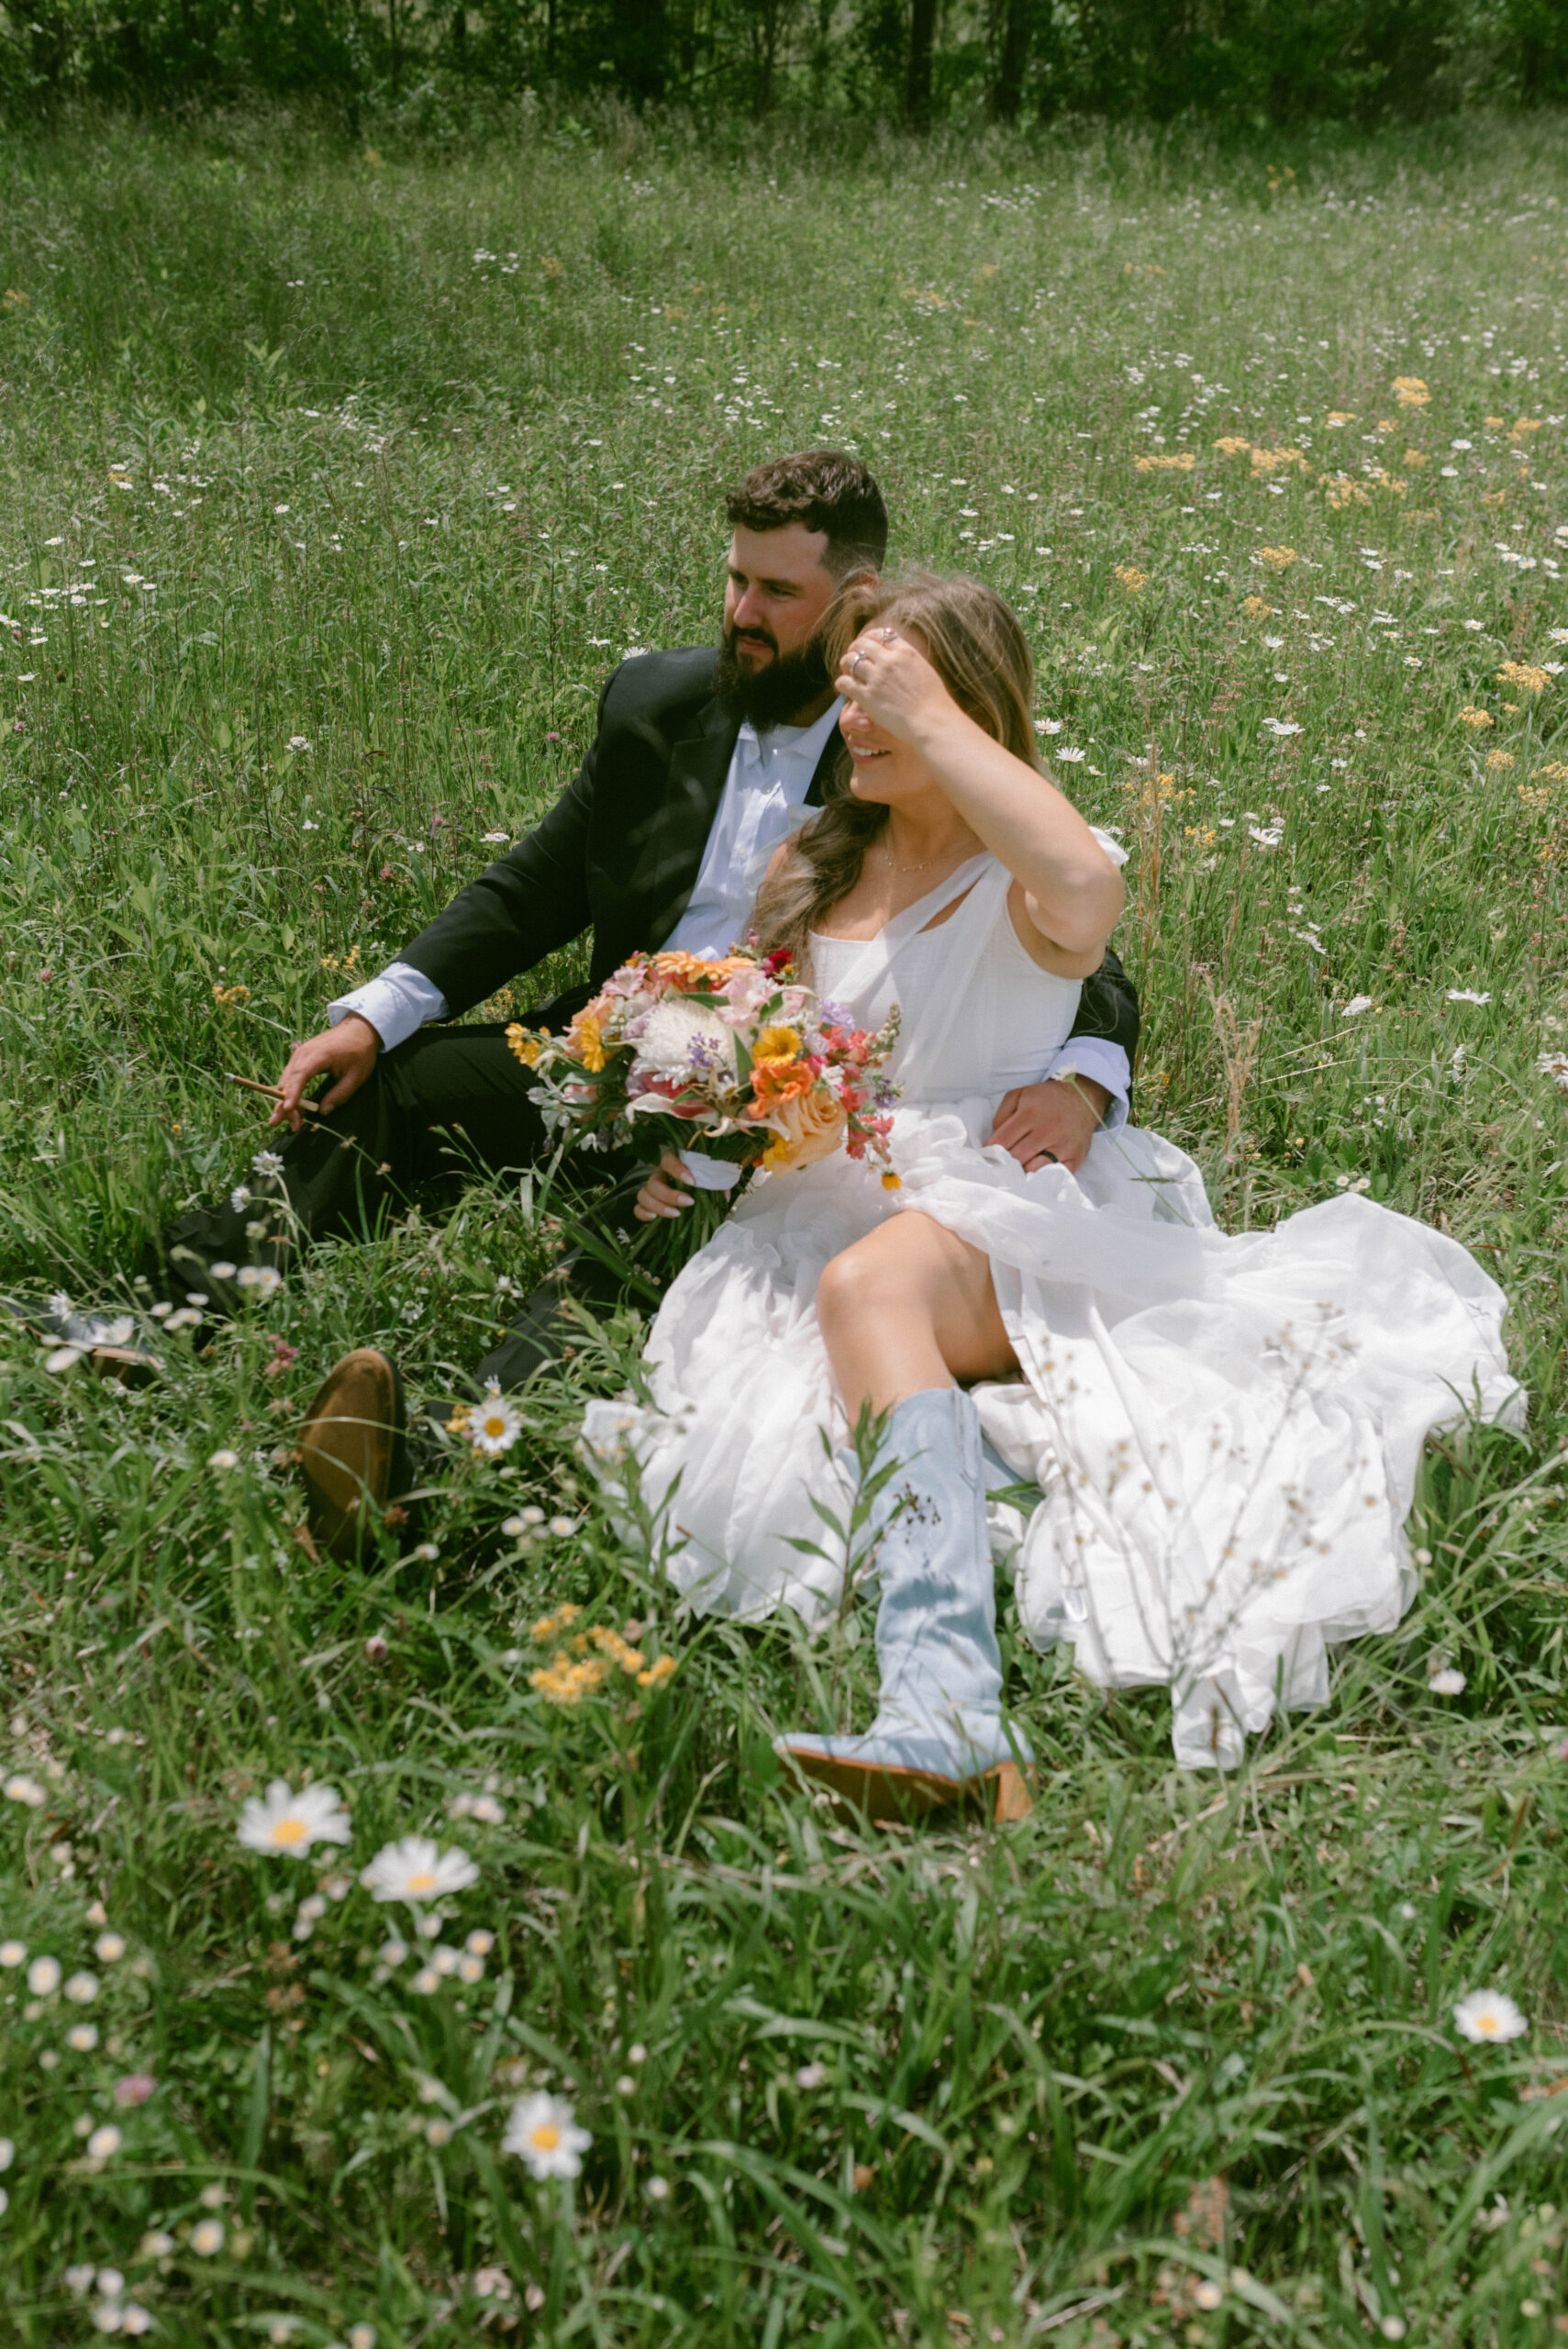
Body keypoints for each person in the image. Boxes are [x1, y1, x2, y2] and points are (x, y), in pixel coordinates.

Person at [578, 572, 1522, 1820]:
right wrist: (707, 1123)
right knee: (769, 1402)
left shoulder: (1023, 881)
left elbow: (1084, 883)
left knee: (869, 1292)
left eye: (889, 695)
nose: (857, 721)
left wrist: (930, 717)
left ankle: (946, 1709)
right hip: (827, 1198)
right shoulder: (812, 861)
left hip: (1002, 1196)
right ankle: (975, 1473)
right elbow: (788, 1052)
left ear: (966, 712)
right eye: (854, 692)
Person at [155, 453, 1140, 1547]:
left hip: (786, 1118)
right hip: (627, 1048)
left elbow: (1068, 946)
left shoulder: (903, 759)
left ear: (852, 604)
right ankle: (169, 1312)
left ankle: (431, 1473)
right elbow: (536, 883)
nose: (742, 614)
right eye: (735, 580)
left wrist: (1083, 1078)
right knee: (401, 1079)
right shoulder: (660, 703)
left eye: (778, 592)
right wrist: (376, 1011)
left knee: (624, 1249)